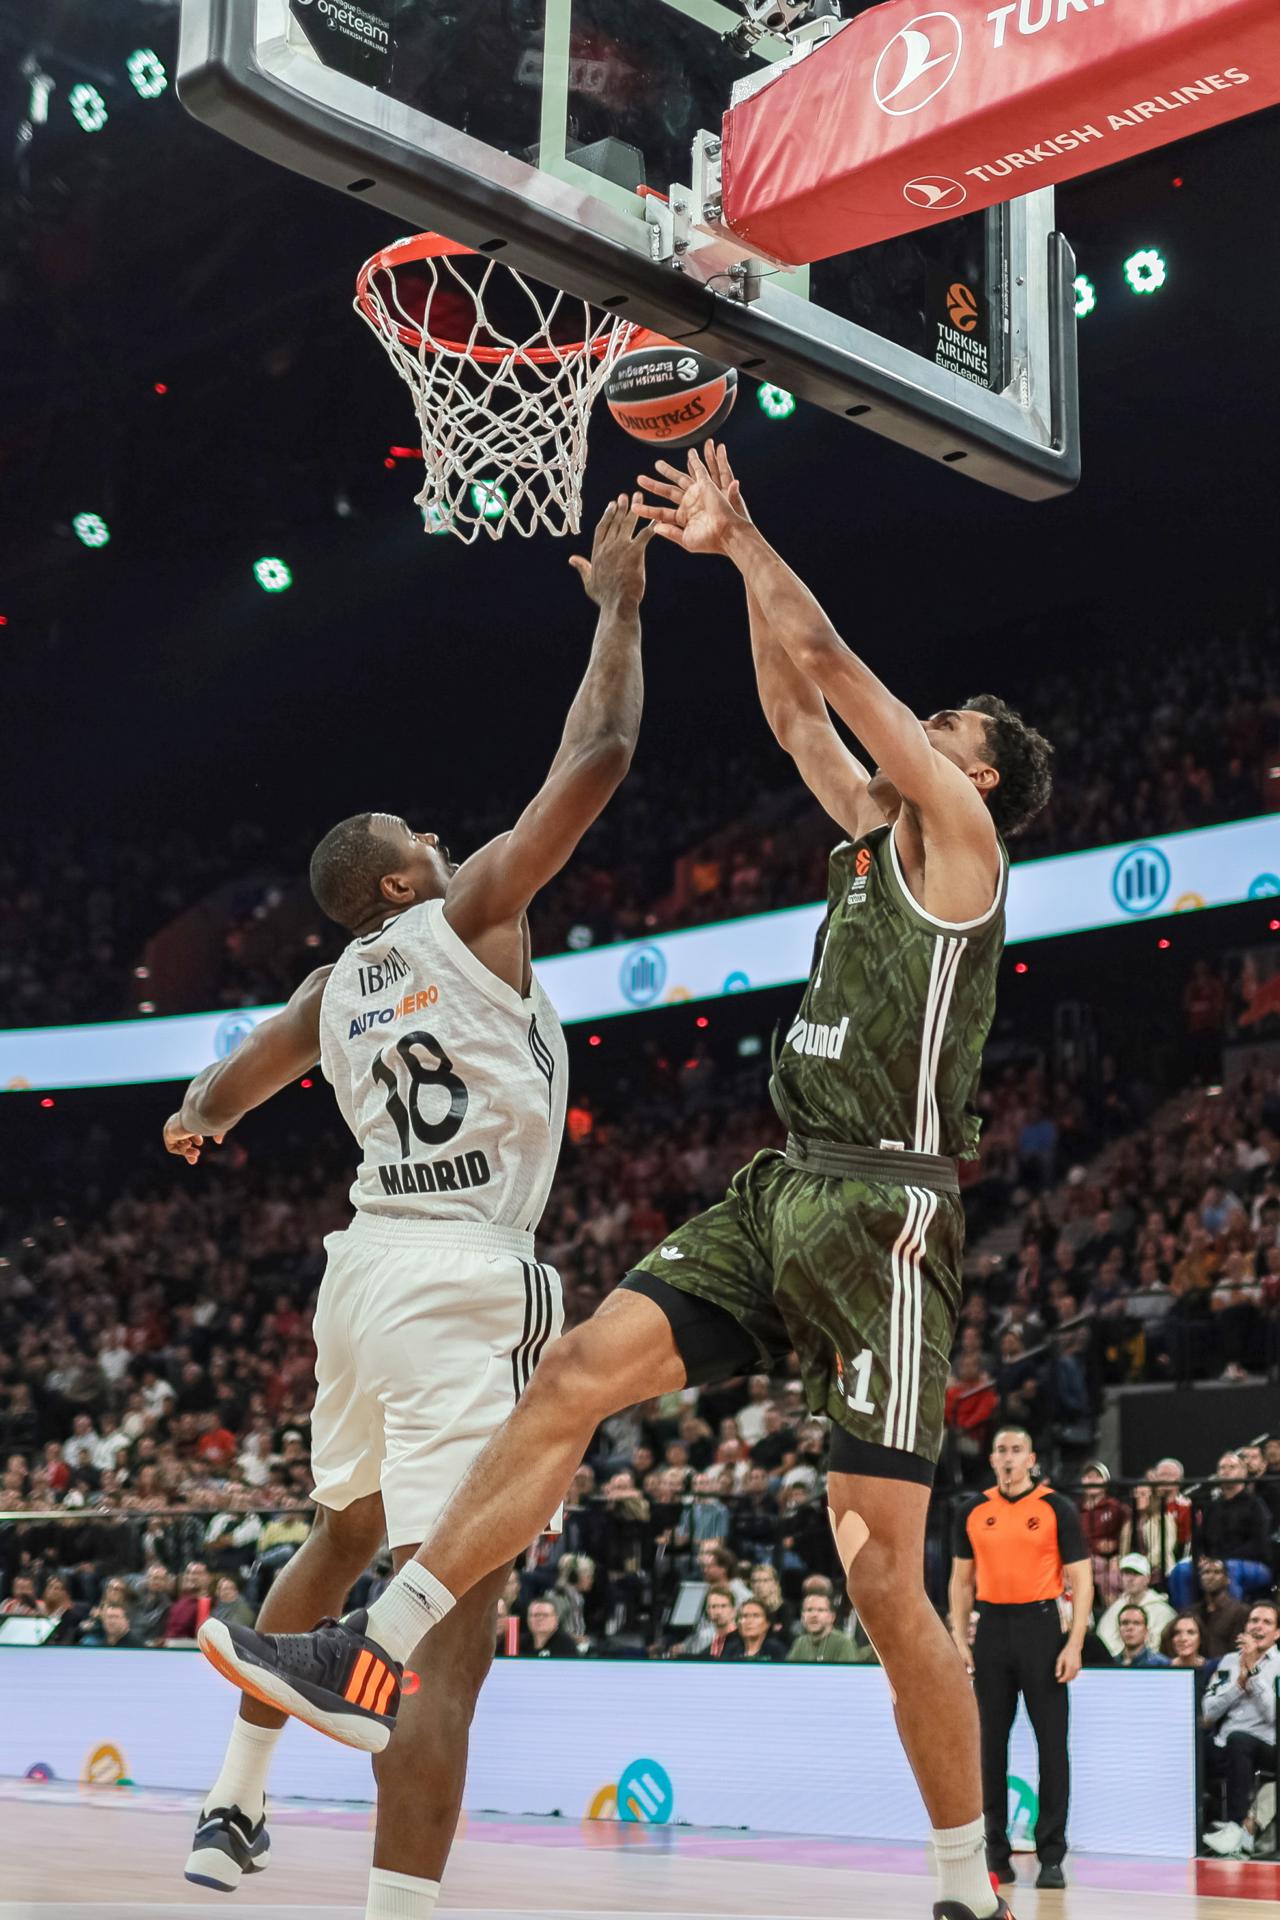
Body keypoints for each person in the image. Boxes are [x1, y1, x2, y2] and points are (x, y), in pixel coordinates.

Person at [202, 444, 1054, 1920]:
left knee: (876, 1573)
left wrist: (743, 537)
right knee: (574, 1374)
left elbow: (836, 664)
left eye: (945, 727)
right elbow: (800, 706)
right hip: (783, 1187)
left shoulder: (964, 845)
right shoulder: (868, 836)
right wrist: (727, 579)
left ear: (975, 773)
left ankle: (961, 1882)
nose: (922, 728)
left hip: (891, 1214)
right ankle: (372, 1645)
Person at [176, 496, 656, 1918]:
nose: (443, 833)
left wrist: (195, 1119)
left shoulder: (327, 990)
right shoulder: (478, 910)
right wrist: (620, 610)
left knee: (343, 1533)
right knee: (456, 1629)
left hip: (361, 1272)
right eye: (417, 832)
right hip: (460, 1275)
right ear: (400, 881)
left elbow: (229, 1082)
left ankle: (232, 1807)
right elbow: (599, 755)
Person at [949, 1427, 1093, 1892]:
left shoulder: (1056, 1508)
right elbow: (959, 1582)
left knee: (1052, 1745)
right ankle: (996, 1855)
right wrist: (958, 1635)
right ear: (991, 1458)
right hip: (991, 1627)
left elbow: (1082, 1580)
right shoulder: (972, 1510)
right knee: (990, 1745)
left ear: (1031, 1457)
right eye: (1001, 1450)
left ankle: (1052, 1855)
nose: (1009, 1458)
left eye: (1016, 1450)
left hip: (1042, 1626)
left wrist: (1073, 1643)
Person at [1201, 1600, 1280, 1858]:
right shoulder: (1228, 1661)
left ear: (1277, 1633)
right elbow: (1209, 1712)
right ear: (1245, 1627)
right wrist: (1238, 1684)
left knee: (1239, 1740)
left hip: (1267, 1745)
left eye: (1266, 1622)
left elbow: (1274, 1715)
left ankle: (1236, 1827)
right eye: (1254, 1620)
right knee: (1192, 1743)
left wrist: (1254, 1673)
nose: (1258, 1626)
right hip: (1225, 1743)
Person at [1198, 1451, 1273, 1566]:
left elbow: (1258, 1543)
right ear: (1217, 1473)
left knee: (1229, 1571)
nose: (1226, 1471)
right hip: (1214, 1565)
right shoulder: (1211, 1507)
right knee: (1181, 1571)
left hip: (1248, 1563)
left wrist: (1223, 1561)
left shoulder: (1255, 1505)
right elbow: (1202, 1540)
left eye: (1232, 1467)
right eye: (1222, 1467)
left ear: (1244, 1473)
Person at [1095, 1553, 1176, 1658]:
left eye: (1136, 1574)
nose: (1130, 1578)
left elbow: (1158, 1646)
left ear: (1147, 1578)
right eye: (1127, 1573)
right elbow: (1104, 1637)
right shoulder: (1116, 1607)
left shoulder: (1162, 1611)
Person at [1192, 1556, 1253, 1660]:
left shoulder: (1241, 1612)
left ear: (1227, 1579)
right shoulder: (1193, 1612)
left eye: (1216, 1572)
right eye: (1206, 1572)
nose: (1211, 1576)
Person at [787, 1589, 859, 1663]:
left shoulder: (844, 1643)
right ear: (802, 1616)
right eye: (809, 1610)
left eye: (820, 1610)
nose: (814, 1615)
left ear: (832, 1617)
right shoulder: (800, 1643)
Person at [722, 1596, 787, 1662]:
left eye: (756, 1616)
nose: (749, 1621)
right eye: (744, 1616)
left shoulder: (776, 1650)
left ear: (767, 1623)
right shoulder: (731, 1650)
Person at [1112, 1604, 1170, 1669]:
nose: (1130, 1628)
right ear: (1119, 1630)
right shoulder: (1110, 1663)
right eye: (1125, 1623)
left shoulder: (1161, 1664)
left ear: (1146, 1631)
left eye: (1136, 1623)